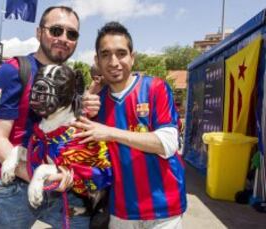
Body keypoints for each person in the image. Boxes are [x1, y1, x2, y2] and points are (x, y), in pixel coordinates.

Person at [0, 6, 100, 229]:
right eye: (56, 30)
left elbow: (71, 132)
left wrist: (88, 109)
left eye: (72, 34)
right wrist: (38, 178)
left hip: (62, 183)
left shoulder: (68, 77)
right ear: (39, 32)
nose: (63, 38)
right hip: (15, 185)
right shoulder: (13, 71)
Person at [72, 22, 187, 228]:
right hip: (120, 212)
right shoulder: (96, 104)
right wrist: (83, 113)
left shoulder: (155, 88)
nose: (113, 61)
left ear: (132, 58)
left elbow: (168, 143)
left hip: (164, 209)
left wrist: (111, 133)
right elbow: (77, 153)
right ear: (97, 60)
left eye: (121, 53)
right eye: (105, 54)